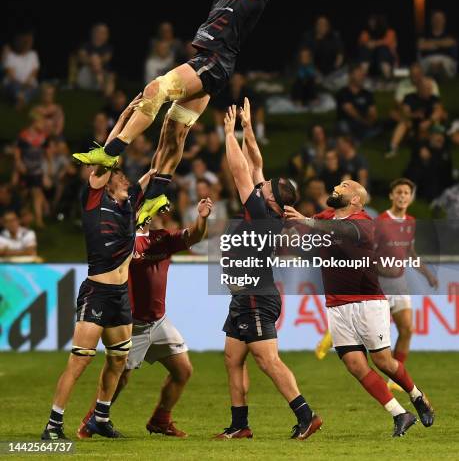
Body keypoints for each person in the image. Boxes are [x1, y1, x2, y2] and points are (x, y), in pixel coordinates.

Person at [73, 0, 270, 226]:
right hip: (214, 66)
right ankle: (156, 196)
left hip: (214, 60)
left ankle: (109, 153)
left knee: (155, 90)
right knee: (174, 130)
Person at [40, 96, 165, 441]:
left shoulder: (129, 207)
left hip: (120, 295)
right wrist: (126, 116)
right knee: (79, 362)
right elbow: (108, 157)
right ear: (107, 183)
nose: (126, 178)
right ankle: (53, 425)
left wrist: (169, 130)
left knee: (117, 360)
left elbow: (159, 164)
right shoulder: (94, 200)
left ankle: (101, 417)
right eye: (119, 176)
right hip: (96, 291)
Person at [285, 180, 434, 437]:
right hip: (335, 304)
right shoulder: (325, 216)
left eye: (344, 185)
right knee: (354, 364)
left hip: (367, 302)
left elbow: (338, 230)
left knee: (383, 361)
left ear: (355, 199)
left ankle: (417, 396)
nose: (337, 187)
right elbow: (308, 225)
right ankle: (401, 414)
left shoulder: (364, 222)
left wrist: (306, 222)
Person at [218, 99, 322, 440]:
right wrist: (248, 129)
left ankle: (306, 416)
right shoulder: (269, 208)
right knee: (233, 357)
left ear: (274, 200)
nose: (260, 183)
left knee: (267, 359)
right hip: (244, 296)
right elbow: (255, 163)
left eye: (265, 186)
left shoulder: (261, 213)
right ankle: (239, 426)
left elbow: (239, 171)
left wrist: (228, 134)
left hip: (255, 297)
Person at [77, 197, 213, 439]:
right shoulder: (125, 243)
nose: (159, 214)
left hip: (159, 322)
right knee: (120, 376)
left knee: (183, 370)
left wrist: (201, 218)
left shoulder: (163, 238)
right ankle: (93, 419)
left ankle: (161, 420)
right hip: (132, 325)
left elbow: (194, 236)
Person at [375, 179, 438, 390]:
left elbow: (410, 252)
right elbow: (367, 252)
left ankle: (395, 379)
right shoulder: (381, 221)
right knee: (373, 339)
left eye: (406, 193)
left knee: (407, 329)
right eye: (399, 192)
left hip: (400, 285)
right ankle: (335, 334)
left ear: (411, 198)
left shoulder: (410, 221)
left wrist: (428, 274)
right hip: (379, 287)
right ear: (392, 196)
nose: (402, 196)